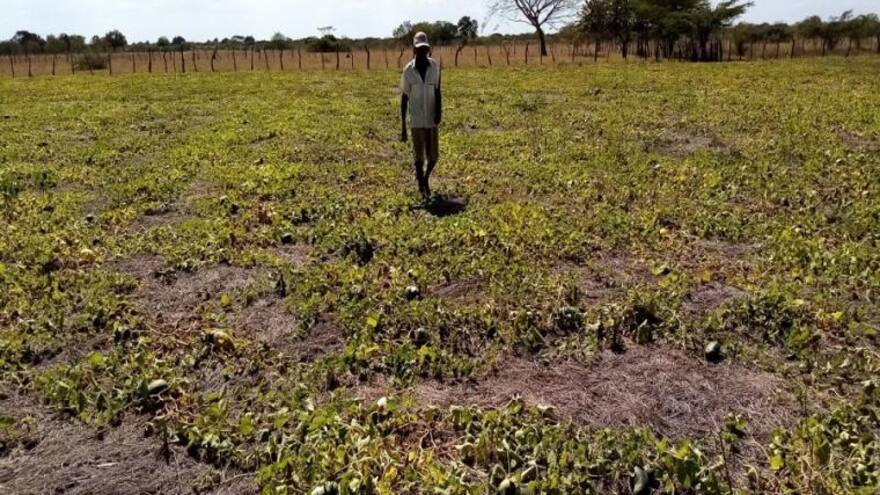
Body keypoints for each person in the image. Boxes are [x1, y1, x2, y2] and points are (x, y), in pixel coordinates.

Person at [400, 31, 442, 201]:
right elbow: (404, 97)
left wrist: (439, 111)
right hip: (416, 119)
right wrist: (403, 127)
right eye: (419, 49)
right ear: (414, 50)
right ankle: (421, 186)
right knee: (419, 157)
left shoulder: (435, 67)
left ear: (428, 49)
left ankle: (425, 178)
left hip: (431, 118)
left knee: (433, 157)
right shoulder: (408, 71)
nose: (423, 51)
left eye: (425, 48)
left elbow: (438, 90)